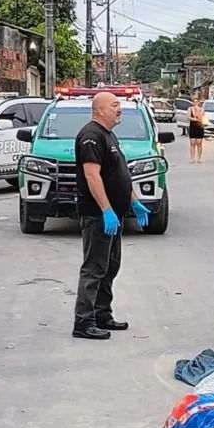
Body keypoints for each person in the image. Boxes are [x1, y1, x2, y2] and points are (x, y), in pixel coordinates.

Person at [72, 91, 150, 340]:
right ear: (100, 109)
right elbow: (92, 176)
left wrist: (135, 202)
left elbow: (118, 175)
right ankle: (83, 322)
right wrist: (105, 209)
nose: (120, 109)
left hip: (114, 214)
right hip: (97, 215)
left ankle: (102, 314)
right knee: (94, 268)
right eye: (115, 105)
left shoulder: (109, 135)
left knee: (110, 267)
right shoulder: (91, 136)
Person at [188, 96, 205, 164]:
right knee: (192, 143)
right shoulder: (190, 109)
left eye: (196, 102)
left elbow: (201, 117)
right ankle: (192, 158)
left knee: (199, 143)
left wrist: (197, 110)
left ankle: (199, 158)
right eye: (194, 102)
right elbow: (188, 117)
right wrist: (196, 119)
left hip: (200, 127)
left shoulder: (201, 109)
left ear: (198, 102)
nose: (195, 103)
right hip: (192, 127)